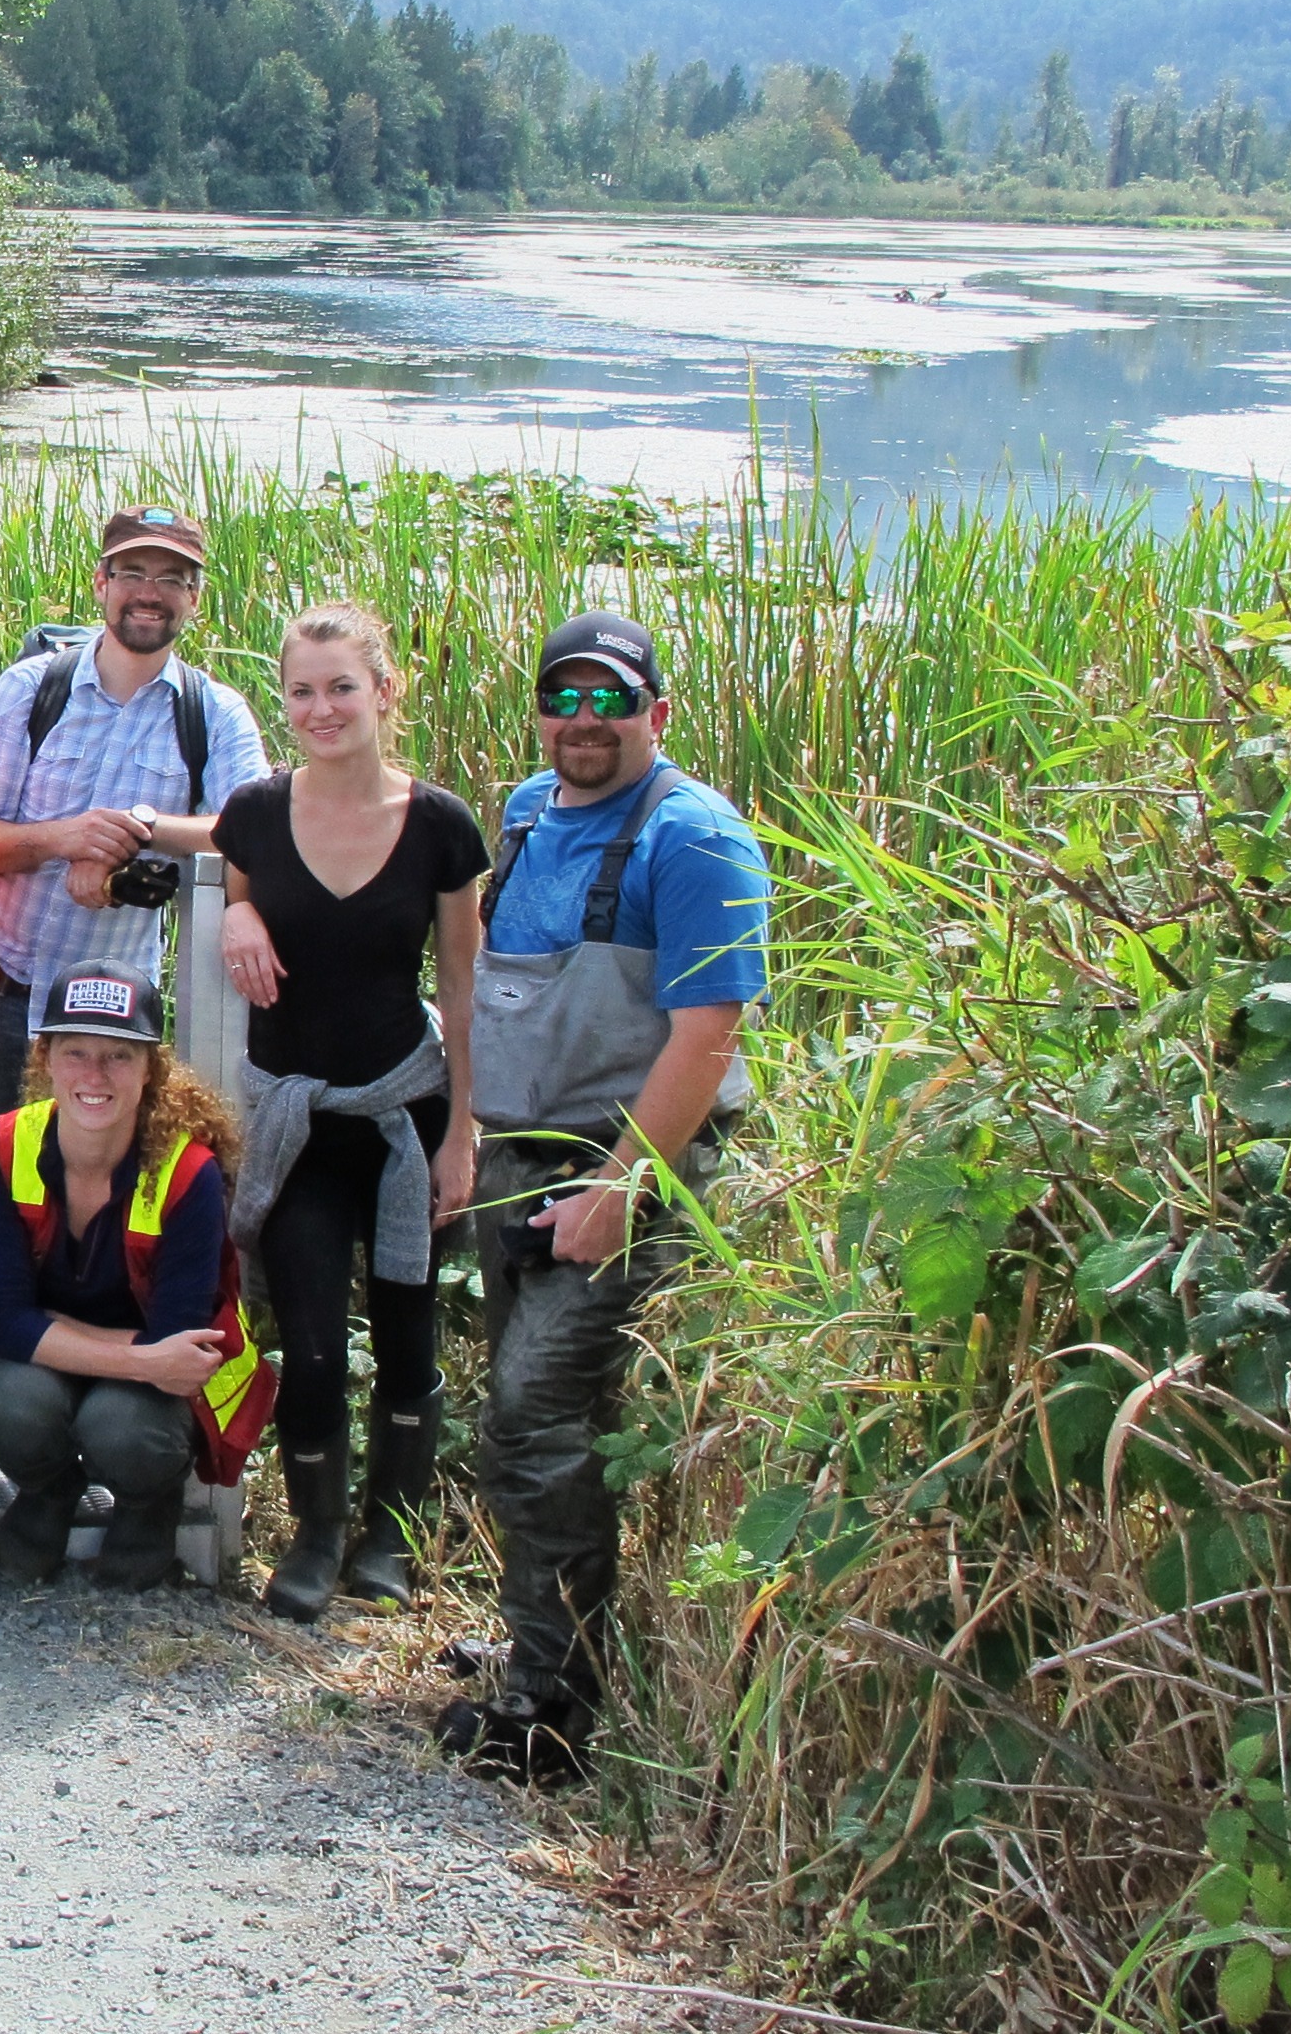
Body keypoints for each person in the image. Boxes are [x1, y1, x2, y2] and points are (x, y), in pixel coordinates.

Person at [440, 610, 769, 1786]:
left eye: (611, 701)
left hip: (619, 1172)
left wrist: (622, 1191)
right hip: (517, 1159)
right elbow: (484, 985)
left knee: (535, 1420)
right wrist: (464, 1136)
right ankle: (540, 1636)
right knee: (522, 1421)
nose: (586, 722)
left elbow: (708, 1035)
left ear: (658, 715)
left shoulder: (695, 840)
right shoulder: (528, 812)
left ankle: (550, 1711)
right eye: (563, 699)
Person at [213, 606, 488, 1621]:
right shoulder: (253, 811)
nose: (320, 708)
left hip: (402, 1117)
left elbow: (462, 991)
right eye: (300, 690)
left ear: (384, 690)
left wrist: (465, 1132)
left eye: (340, 687)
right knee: (316, 1338)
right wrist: (237, 909)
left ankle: (394, 1538)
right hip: (297, 1124)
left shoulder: (441, 825)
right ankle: (319, 1533)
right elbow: (235, 881)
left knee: (411, 1341)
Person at [0, 507, 269, 1131]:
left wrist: (134, 829)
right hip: (1, 987)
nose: (150, 593)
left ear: (195, 599)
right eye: (133, 573)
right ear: (101, 583)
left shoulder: (217, 714)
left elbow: (247, 830)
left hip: (112, 1004)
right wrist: (66, 838)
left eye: (173, 579)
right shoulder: (32, 688)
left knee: (97, 1186)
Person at [0, 967, 255, 1590]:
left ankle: (149, 1504)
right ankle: (49, 1489)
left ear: (151, 1069)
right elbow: (5, 1322)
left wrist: (53, 1332)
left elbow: (182, 1336)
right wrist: (139, 1359)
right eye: (76, 1052)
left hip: (129, 1380)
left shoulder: (189, 1172)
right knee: (12, 1406)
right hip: (123, 1359)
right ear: (46, 1058)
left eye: (119, 1055)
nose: (95, 1075)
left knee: (121, 1428)